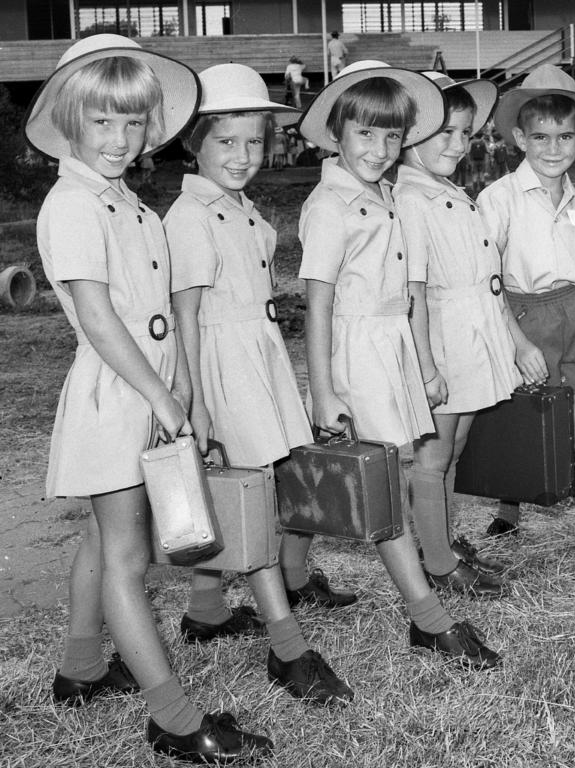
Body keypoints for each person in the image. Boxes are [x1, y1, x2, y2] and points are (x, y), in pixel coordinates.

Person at [25, 34, 272, 762]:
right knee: (130, 556)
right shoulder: (72, 204)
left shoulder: (122, 199)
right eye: (102, 123)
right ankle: (171, 716)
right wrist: (163, 396)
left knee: (105, 538)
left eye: (133, 123)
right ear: (70, 122)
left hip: (145, 384)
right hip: (117, 392)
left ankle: (80, 668)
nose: (120, 138)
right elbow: (99, 319)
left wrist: (178, 384)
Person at [297, 60, 501, 666]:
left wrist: (417, 359)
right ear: (337, 132)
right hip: (356, 349)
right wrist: (323, 387)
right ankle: (427, 616)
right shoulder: (330, 204)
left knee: (351, 472)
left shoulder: (382, 195)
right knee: (382, 481)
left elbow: (408, 289)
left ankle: (288, 575)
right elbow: (318, 302)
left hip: (392, 347)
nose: (381, 149)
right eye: (366, 134)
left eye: (392, 136)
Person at [165, 63, 352, 708]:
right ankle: (286, 644)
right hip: (223, 363)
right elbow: (185, 313)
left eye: (254, 141)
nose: (243, 156)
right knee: (255, 497)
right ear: (194, 143)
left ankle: (207, 607)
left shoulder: (239, 209)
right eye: (226, 142)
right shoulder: (190, 216)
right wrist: (198, 401)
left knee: (258, 485)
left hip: (259, 353)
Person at [477, 64, 575, 574]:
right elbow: (488, 280)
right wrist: (519, 342)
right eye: (540, 137)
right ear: (519, 138)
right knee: (519, 418)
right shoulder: (497, 199)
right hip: (524, 316)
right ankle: (507, 509)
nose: (553, 147)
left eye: (564, 136)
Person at [395, 72, 545, 597]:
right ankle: (437, 562)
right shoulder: (410, 198)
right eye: (445, 133)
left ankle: (444, 542)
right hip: (441, 337)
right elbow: (411, 290)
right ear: (409, 133)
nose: (458, 145)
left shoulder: (445, 189)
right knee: (433, 456)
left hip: (470, 331)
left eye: (465, 133)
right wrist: (427, 367)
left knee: (452, 448)